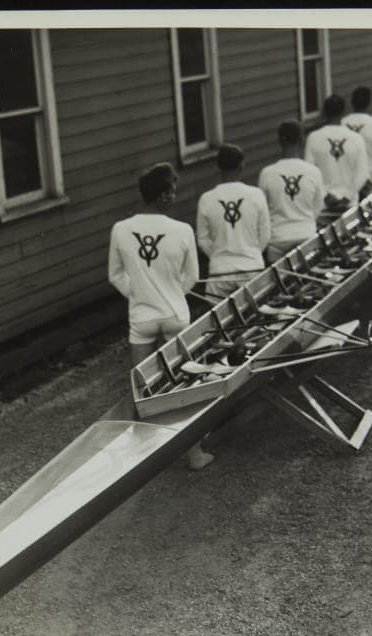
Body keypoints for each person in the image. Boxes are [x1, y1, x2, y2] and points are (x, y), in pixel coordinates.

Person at [108, 162, 213, 470]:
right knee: (185, 384)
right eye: (173, 191)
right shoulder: (181, 230)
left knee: (143, 388)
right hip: (175, 313)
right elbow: (192, 276)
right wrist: (170, 294)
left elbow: (115, 276)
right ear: (164, 196)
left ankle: (146, 454)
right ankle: (194, 454)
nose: (175, 196)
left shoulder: (120, 229)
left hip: (141, 316)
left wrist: (139, 294)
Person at [195, 144, 272, 300]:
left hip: (220, 272)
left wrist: (218, 255)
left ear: (218, 166)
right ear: (242, 165)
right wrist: (252, 252)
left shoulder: (206, 198)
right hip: (252, 269)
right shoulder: (256, 194)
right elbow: (265, 235)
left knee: (221, 321)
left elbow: (202, 240)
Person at [258, 120, 325, 264]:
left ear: (279, 142)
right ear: (302, 140)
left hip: (278, 240)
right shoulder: (313, 172)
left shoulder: (267, 173)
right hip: (306, 236)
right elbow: (318, 207)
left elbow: (263, 212)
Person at [304, 94, 368, 205]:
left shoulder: (314, 138)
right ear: (343, 112)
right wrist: (348, 196)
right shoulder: (356, 138)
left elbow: (309, 173)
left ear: (324, 112)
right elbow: (362, 173)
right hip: (349, 204)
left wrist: (325, 196)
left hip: (324, 204)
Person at [341, 86, 372, 196]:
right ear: (369, 103)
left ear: (352, 103)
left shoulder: (342, 124)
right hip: (370, 184)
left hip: (348, 183)